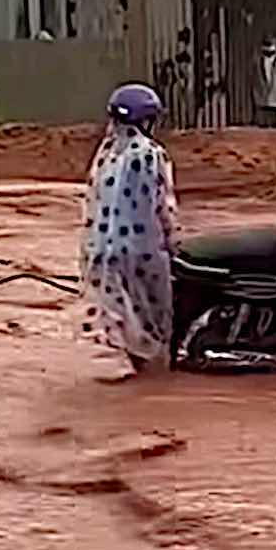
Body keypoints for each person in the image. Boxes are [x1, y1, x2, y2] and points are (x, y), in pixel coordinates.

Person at [77, 83, 180, 374]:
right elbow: (163, 208)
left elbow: (91, 203)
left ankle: (139, 371)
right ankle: (156, 384)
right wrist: (175, 243)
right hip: (142, 253)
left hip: (99, 256)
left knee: (126, 323)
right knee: (155, 324)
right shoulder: (152, 154)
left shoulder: (104, 154)